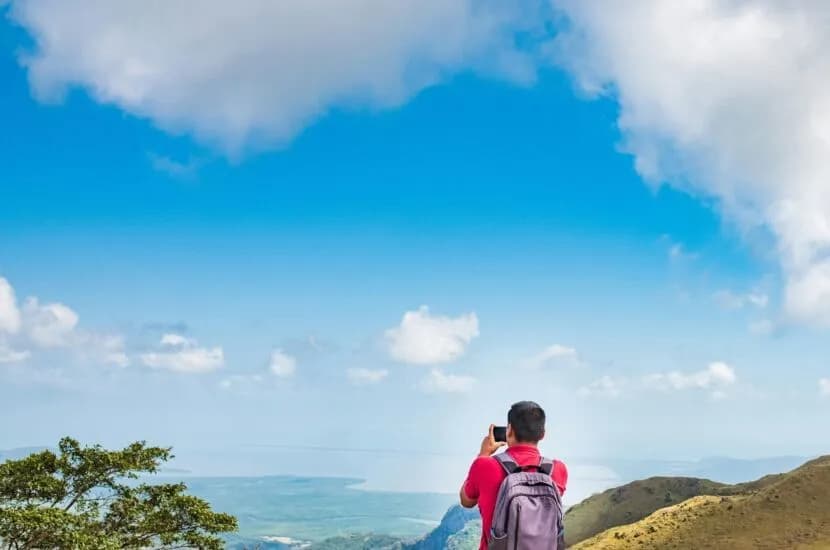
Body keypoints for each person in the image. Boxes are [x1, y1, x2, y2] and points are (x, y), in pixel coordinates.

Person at [459, 401, 568, 550]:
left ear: (509, 430)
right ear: (543, 434)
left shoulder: (484, 465)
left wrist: (483, 453)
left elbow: (466, 500)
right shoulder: (557, 470)